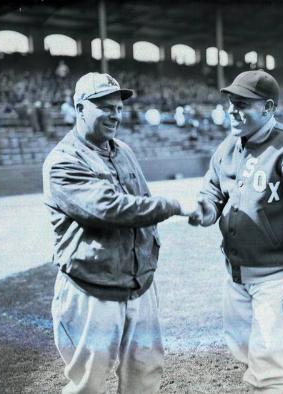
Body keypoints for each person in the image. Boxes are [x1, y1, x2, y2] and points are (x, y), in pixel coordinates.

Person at [43, 72, 191, 394]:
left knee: (145, 374)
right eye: (104, 106)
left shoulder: (122, 150)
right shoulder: (63, 160)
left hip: (138, 285)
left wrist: (150, 255)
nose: (115, 114)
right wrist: (171, 206)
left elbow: (143, 199)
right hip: (91, 290)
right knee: (88, 385)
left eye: (119, 107)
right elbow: (111, 209)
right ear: (80, 108)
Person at [189, 70, 283, 393]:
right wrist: (206, 209)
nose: (233, 111)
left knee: (268, 372)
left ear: (268, 108)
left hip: (275, 279)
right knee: (247, 356)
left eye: (242, 104)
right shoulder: (227, 147)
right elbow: (212, 191)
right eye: (231, 103)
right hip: (235, 275)